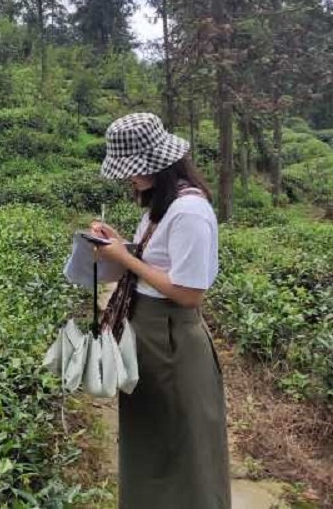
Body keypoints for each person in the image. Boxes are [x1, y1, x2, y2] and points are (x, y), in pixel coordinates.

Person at [91, 113, 231, 509]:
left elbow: (188, 293)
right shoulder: (163, 207)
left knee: (183, 447)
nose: (129, 179)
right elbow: (158, 265)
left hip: (172, 340)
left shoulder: (189, 212)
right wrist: (119, 244)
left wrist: (124, 259)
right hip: (150, 334)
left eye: (133, 170)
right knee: (152, 438)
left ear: (158, 164)